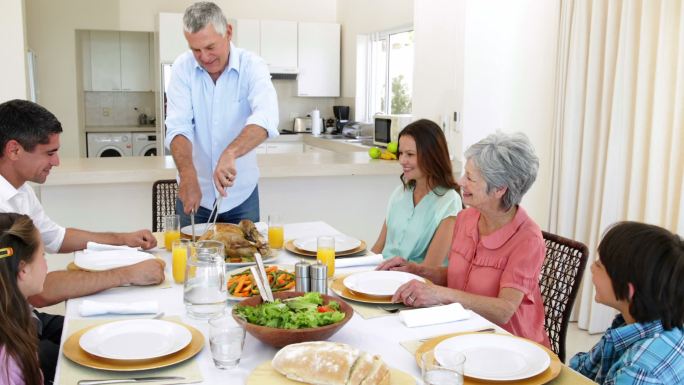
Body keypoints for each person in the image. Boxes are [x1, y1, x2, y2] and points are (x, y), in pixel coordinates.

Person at [0, 99, 165, 384]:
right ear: (14, 149)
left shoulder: (18, 189)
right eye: (49, 153)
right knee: (99, 363)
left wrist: (121, 240)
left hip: (25, 317)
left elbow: (56, 236)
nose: (57, 162)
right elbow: (38, 290)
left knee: (112, 335)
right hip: (11, 333)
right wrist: (127, 274)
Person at [378, 132, 550, 347]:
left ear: (499, 189)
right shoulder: (466, 218)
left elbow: (504, 310)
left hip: (508, 345)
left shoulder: (528, 239)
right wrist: (416, 269)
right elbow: (455, 276)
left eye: (470, 178)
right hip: (462, 328)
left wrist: (439, 294)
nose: (460, 182)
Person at [165, 1, 279, 227]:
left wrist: (231, 152)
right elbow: (179, 127)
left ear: (228, 32)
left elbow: (266, 117)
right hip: (195, 194)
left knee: (246, 260)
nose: (204, 57)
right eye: (195, 50)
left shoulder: (252, 66)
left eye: (210, 47)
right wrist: (187, 175)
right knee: (189, 259)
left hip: (241, 197)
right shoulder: (182, 68)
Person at [570, 222, 684, 384]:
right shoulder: (633, 326)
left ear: (628, 289)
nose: (592, 268)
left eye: (599, 265)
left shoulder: (640, 371)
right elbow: (582, 370)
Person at [371, 119, 462, 266]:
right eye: (400, 153)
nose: (402, 160)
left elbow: (429, 268)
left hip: (414, 283)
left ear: (432, 156)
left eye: (410, 154)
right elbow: (378, 249)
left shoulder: (449, 201)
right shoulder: (400, 193)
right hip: (383, 277)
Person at [0, 213, 48, 385]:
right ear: (23, 270)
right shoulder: (11, 356)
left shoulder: (12, 322)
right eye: (43, 255)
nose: (46, 265)